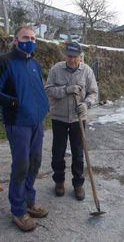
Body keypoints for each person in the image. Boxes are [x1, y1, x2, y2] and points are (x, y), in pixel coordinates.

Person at [0, 25, 49, 232]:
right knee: (21, 166)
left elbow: (37, 88)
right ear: (15, 40)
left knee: (35, 162)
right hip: (17, 123)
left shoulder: (35, 64)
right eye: (25, 37)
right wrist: (14, 102)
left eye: (33, 38)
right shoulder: (3, 63)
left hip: (36, 122)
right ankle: (18, 210)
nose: (29, 41)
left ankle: (30, 202)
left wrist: (43, 105)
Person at [45, 42, 98, 201]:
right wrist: (66, 90)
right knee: (58, 152)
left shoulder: (87, 71)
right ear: (65, 55)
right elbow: (48, 90)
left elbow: (94, 93)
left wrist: (86, 104)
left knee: (78, 152)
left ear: (80, 57)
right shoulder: (56, 69)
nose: (72, 60)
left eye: (75, 57)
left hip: (77, 119)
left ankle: (78, 184)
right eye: (69, 56)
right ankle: (59, 181)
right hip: (59, 118)